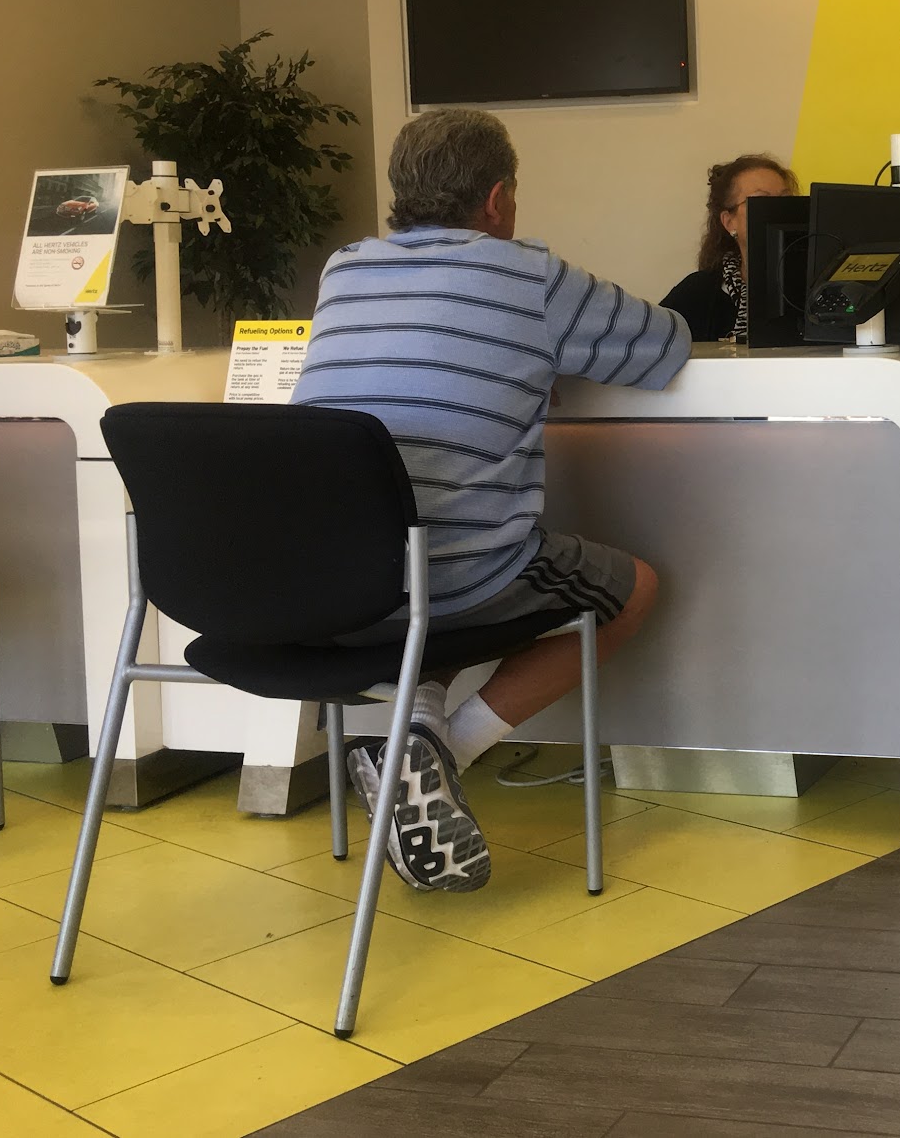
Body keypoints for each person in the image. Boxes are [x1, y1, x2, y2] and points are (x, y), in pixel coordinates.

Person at [291, 108, 687, 892]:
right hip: (454, 580)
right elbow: (666, 346)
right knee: (631, 588)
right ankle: (446, 753)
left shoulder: (345, 269)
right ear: (498, 199)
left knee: (435, 573)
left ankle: (415, 746)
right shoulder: (527, 275)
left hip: (330, 586)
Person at [660, 154, 796, 342]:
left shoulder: (818, 287)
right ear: (729, 222)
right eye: (761, 202)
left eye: (786, 200)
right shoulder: (697, 293)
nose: (779, 210)